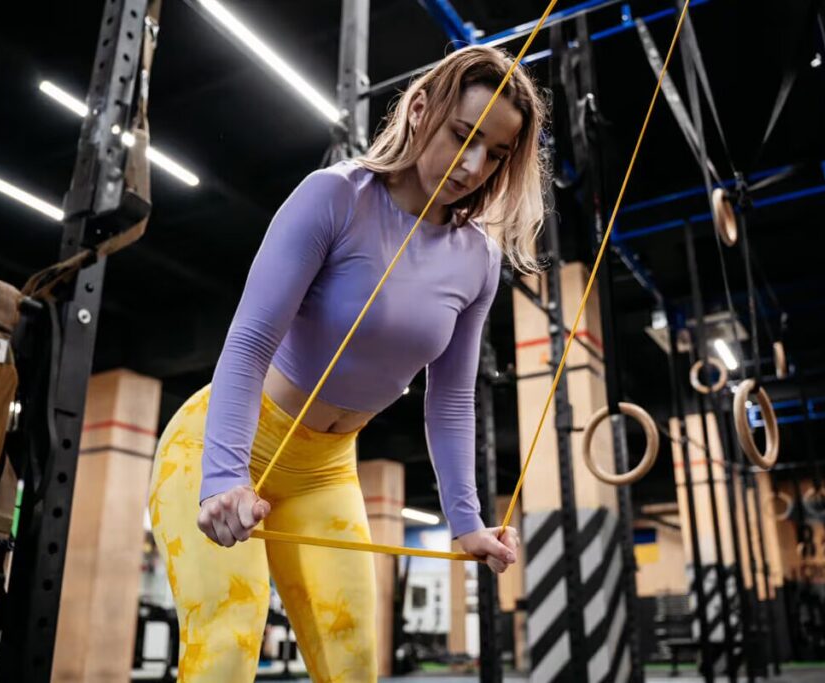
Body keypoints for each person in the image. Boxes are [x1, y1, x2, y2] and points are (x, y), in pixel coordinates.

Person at [147, 44, 550, 682]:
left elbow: (447, 400)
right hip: (222, 445)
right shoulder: (335, 197)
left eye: (496, 154)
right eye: (461, 135)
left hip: (325, 470)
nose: (474, 166)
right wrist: (223, 476)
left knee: (355, 658)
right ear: (420, 110)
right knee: (228, 642)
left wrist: (466, 521)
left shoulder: (478, 261)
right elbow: (249, 343)